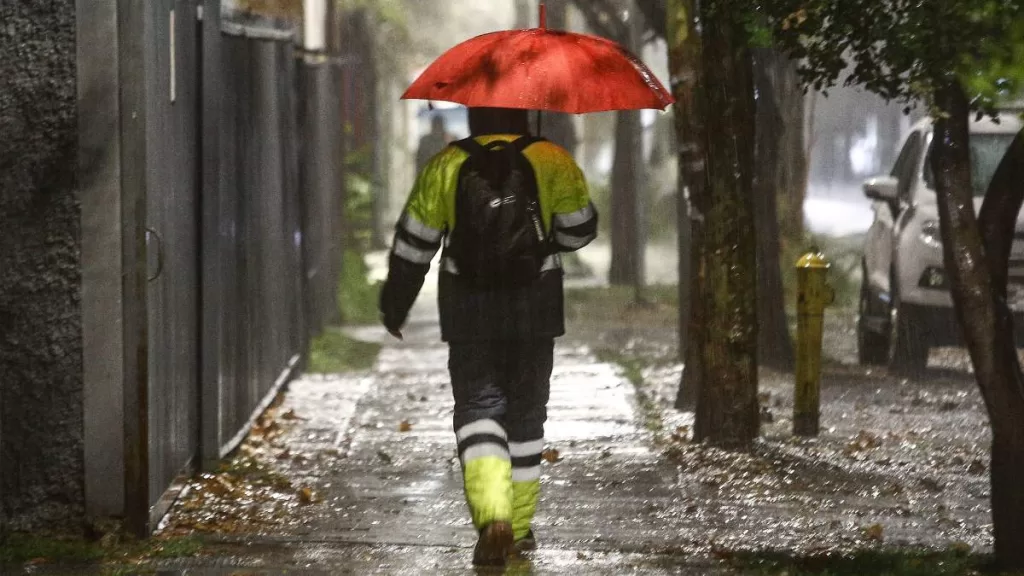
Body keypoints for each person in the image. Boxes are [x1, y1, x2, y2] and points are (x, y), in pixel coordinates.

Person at [379, 107, 598, 566]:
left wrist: (395, 303)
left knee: (478, 408)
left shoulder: (447, 163)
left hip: (469, 307)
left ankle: (491, 516)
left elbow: (414, 242)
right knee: (525, 415)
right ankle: (516, 529)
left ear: (474, 113)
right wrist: (543, 234)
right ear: (523, 110)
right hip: (535, 305)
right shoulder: (550, 158)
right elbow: (580, 230)